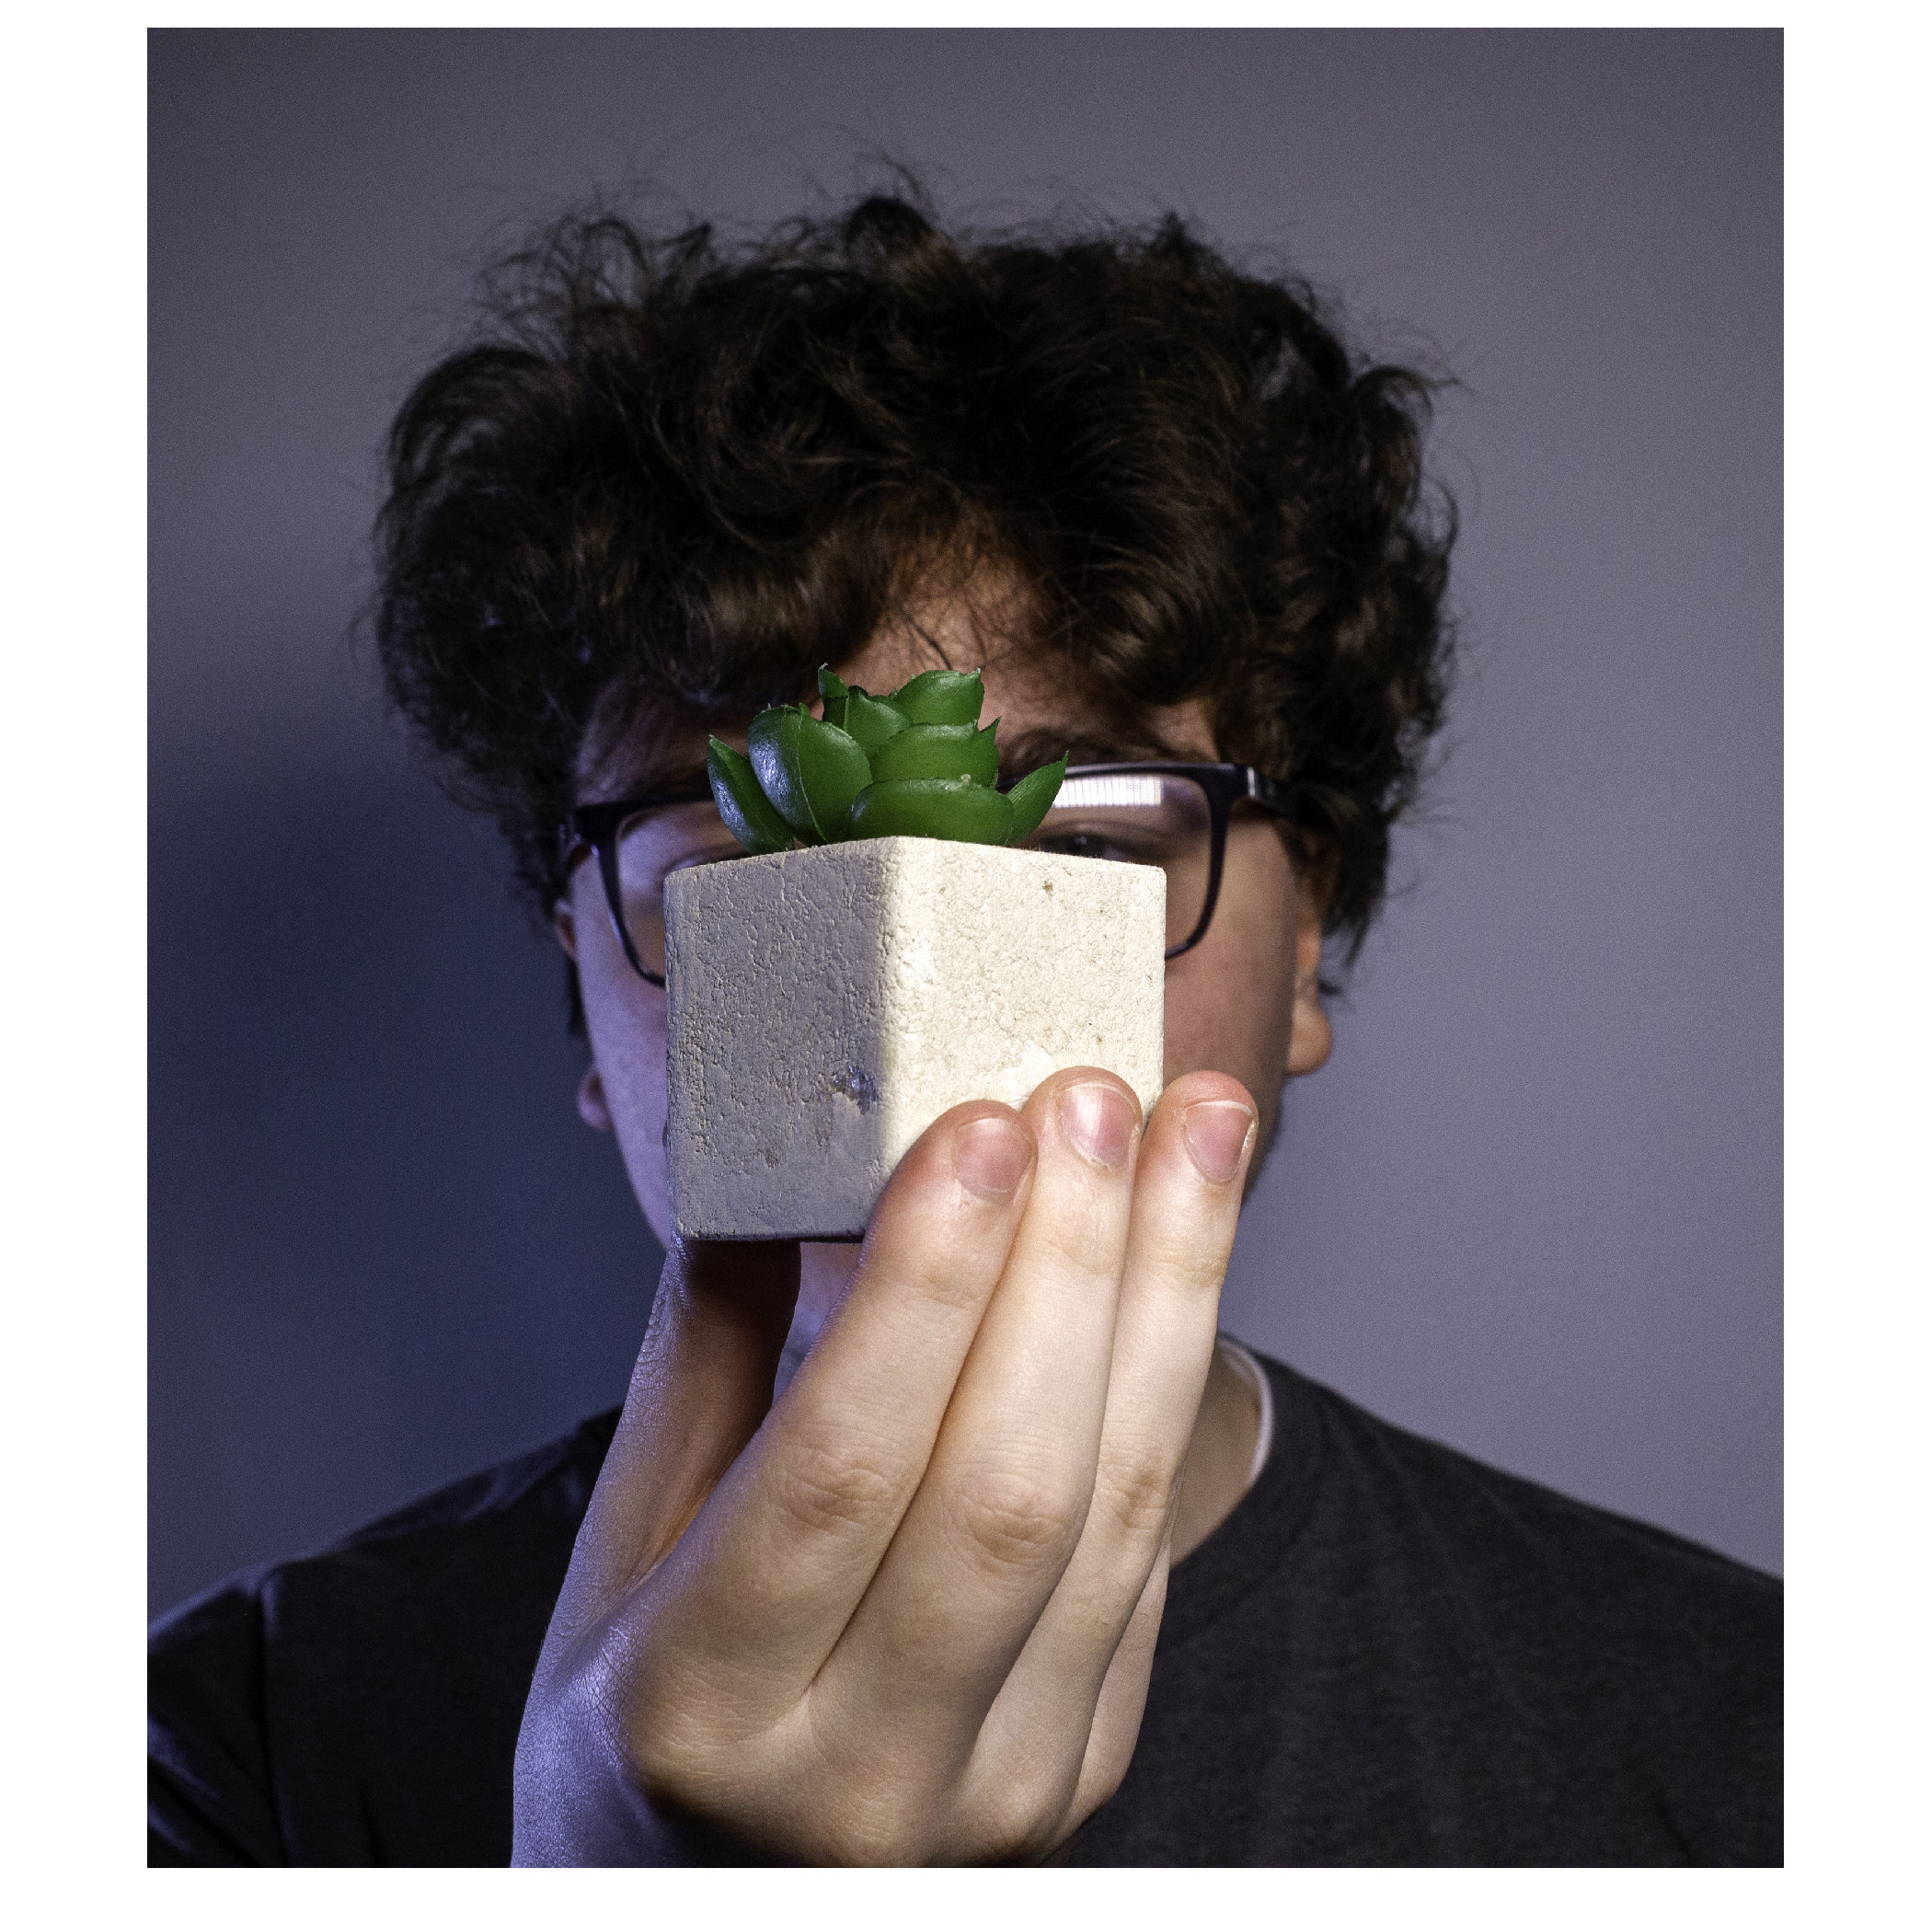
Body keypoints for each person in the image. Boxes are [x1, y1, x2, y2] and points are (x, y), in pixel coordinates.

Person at [147, 190, 1780, 1866]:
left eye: (1077, 850)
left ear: (1304, 951)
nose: (912, 1022)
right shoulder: (212, 1755)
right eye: (757, 877)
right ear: (590, 984)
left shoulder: (1759, 1746)